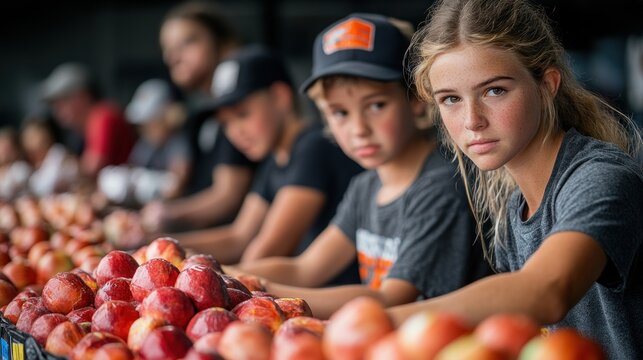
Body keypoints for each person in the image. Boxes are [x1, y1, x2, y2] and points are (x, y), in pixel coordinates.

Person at [387, 1, 643, 358]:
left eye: (495, 91)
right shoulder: (514, 207)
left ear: (547, 84)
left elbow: (546, 292)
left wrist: (382, 324)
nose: (472, 120)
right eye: (450, 99)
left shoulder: (601, 176)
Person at [230, 14, 491, 320]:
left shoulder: (440, 187)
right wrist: (227, 276)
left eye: (376, 105)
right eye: (339, 112)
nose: (358, 129)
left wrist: (260, 294)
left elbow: (390, 297)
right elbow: (306, 267)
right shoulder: (366, 186)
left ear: (417, 100)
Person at [177, 45, 364, 289]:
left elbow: (265, 249)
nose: (235, 132)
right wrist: (163, 248)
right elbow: (238, 235)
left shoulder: (314, 147)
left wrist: (210, 284)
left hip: (330, 299)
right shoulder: (275, 156)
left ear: (280, 97)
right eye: (226, 123)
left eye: (242, 114)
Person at [142, 1, 256, 232]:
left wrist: (164, 214)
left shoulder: (242, 111)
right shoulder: (200, 118)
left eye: (188, 42)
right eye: (167, 48)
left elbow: (227, 197)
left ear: (224, 44)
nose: (173, 56)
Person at [97, 79, 191, 206]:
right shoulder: (145, 144)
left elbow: (176, 186)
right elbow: (132, 169)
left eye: (151, 120)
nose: (144, 128)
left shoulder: (178, 142)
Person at [41, 62, 136, 179]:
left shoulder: (102, 116)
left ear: (83, 96)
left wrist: (63, 168)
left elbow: (93, 168)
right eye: (54, 105)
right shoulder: (87, 127)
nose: (57, 110)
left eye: (62, 101)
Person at [20, 117, 79, 197]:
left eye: (35, 135)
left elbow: (74, 177)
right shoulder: (27, 164)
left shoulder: (58, 154)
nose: (32, 141)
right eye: (29, 137)